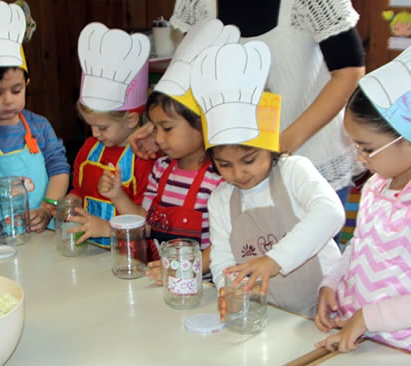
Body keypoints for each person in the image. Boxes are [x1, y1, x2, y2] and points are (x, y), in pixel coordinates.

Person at [135, 0, 365, 209]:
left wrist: (283, 143)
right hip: (231, 169)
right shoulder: (197, 4)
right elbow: (193, 73)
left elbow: (349, 72)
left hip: (311, 155)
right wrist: (162, 128)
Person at [193, 37, 345, 318]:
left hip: (322, 308)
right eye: (224, 164)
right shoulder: (221, 199)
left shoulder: (294, 171)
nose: (238, 173)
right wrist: (228, 289)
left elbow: (331, 213)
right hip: (266, 313)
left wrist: (274, 260)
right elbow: (223, 255)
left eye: (249, 160)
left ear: (270, 147)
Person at [99, 20, 228, 283]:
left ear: (202, 124)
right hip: (162, 280)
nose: (157, 138)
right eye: (155, 127)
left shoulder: (219, 177)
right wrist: (117, 196)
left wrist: (185, 269)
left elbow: (226, 246)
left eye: (167, 128)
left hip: (203, 287)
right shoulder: (162, 169)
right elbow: (146, 223)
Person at [315, 47, 411, 353]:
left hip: (400, 352)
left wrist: (369, 317)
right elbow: (359, 246)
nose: (360, 158)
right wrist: (332, 282)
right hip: (363, 339)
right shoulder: (375, 186)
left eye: (367, 148)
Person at [0, 1, 69, 243]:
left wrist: (48, 208)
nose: (8, 100)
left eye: (16, 91)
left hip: (43, 233)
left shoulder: (40, 126)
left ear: (26, 85)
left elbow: (59, 170)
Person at [64, 22, 154, 247]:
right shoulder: (88, 150)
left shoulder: (145, 160)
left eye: (102, 127)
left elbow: (147, 222)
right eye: (90, 126)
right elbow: (79, 190)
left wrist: (107, 223)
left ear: (131, 119)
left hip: (129, 255)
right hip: (91, 251)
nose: (95, 134)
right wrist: (71, 202)